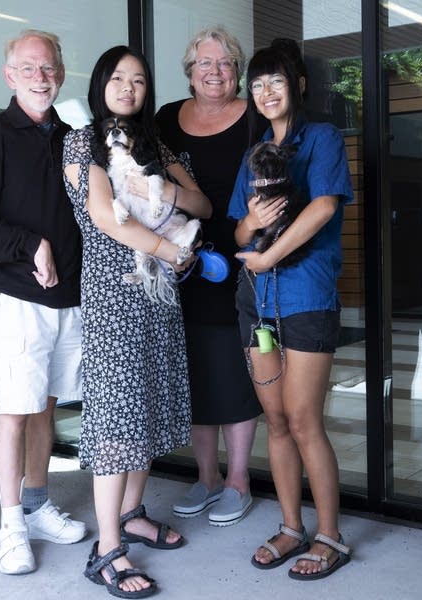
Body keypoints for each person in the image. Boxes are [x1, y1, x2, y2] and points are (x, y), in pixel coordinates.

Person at [62, 46, 211, 598]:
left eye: (140, 80)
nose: (128, 87)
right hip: (113, 293)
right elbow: (104, 217)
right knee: (118, 417)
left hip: (159, 298)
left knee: (147, 408)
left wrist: (167, 191)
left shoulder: (159, 146)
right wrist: (168, 252)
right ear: (101, 83)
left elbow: (204, 207)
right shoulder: (81, 143)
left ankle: (131, 514)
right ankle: (106, 551)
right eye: (119, 78)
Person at [0, 29, 86, 575]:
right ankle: (11, 526)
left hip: (69, 298)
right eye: (29, 69)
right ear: (10, 76)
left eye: (49, 67)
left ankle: (36, 504)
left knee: (47, 404)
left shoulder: (74, 134)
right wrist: (30, 245)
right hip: (15, 296)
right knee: (14, 410)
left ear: (60, 71)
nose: (41, 77)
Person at [228, 38, 353, 580]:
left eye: (275, 81)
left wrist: (267, 256)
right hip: (258, 304)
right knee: (274, 420)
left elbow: (323, 206)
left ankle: (330, 536)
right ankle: (289, 525)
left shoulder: (322, 138)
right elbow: (237, 226)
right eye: (257, 85)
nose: (266, 92)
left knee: (304, 421)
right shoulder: (253, 151)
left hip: (305, 297)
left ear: (297, 84)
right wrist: (253, 226)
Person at [155, 26, 267, 527]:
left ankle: (239, 480)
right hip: (182, 261)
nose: (214, 71)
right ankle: (206, 477)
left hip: (241, 259)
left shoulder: (255, 117)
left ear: (237, 71)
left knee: (234, 372)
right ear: (189, 71)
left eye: (225, 63)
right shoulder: (164, 121)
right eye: (205, 63)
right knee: (196, 371)